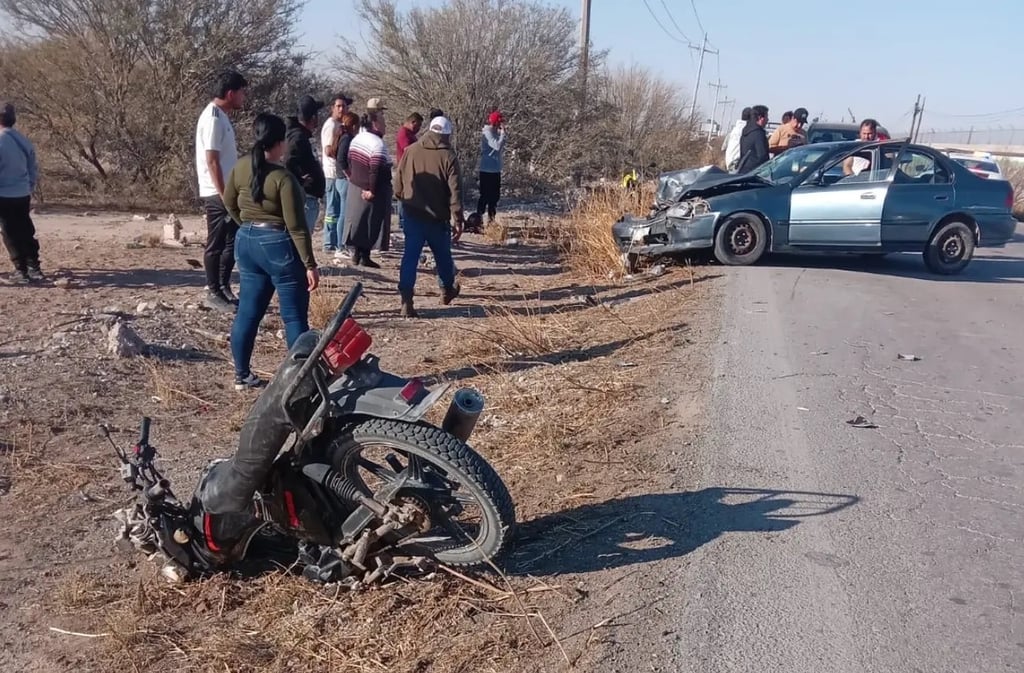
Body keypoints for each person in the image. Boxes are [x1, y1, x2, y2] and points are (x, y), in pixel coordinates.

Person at [222, 113, 319, 390]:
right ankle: (299, 383)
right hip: (278, 244)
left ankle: (241, 375)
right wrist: (310, 264)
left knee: (248, 313)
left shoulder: (240, 167)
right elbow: (297, 227)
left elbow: (229, 203)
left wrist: (247, 226)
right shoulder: (283, 178)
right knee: (293, 317)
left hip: (247, 242)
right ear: (279, 142)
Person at [393, 116, 463, 318]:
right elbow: (456, 191)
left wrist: (402, 197)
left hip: (412, 213)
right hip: (437, 217)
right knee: (443, 256)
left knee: (410, 257)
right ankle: (446, 290)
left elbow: (398, 181)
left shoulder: (411, 150)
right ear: (446, 134)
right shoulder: (448, 156)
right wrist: (457, 218)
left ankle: (406, 299)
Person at [195, 69, 248, 312]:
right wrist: (225, 194)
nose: (244, 97)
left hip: (228, 190)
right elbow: (212, 160)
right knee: (215, 243)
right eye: (241, 92)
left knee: (231, 241)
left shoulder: (223, 116)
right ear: (230, 93)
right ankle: (213, 290)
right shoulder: (213, 118)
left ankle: (224, 286)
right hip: (217, 192)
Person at [0, 102, 43, 284]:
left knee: (10, 231)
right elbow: (32, 167)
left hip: (4, 193)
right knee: (25, 228)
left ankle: (21, 271)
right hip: (22, 192)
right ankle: (34, 268)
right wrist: (29, 186)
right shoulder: (22, 139)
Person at [344, 109, 391, 268]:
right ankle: (364, 256)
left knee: (358, 222)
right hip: (372, 189)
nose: (385, 125)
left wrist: (353, 178)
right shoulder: (378, 144)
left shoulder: (357, 139)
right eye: (383, 122)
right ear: (375, 124)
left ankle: (358, 254)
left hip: (356, 185)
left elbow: (349, 159)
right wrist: (372, 189)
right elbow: (375, 168)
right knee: (371, 223)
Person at [283, 95, 327, 234]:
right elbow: (288, 161)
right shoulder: (298, 137)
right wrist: (300, 180)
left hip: (309, 197)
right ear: (313, 117)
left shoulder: (303, 135)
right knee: (302, 240)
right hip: (305, 199)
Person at [320, 92, 354, 257]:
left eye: (344, 106)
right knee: (333, 210)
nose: (342, 109)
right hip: (332, 172)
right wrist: (342, 155)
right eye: (339, 106)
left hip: (336, 172)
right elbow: (328, 150)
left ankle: (333, 242)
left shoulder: (339, 125)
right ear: (332, 108)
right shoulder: (331, 125)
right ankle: (329, 242)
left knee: (337, 208)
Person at [395, 112, 423, 232]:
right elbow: (407, 150)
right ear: (413, 122)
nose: (418, 129)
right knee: (404, 195)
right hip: (405, 168)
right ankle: (402, 221)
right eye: (418, 126)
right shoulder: (404, 133)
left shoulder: (410, 134)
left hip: (411, 168)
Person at [477, 110, 506, 223]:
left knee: (494, 197)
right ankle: (478, 219)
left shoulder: (496, 133)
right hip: (486, 170)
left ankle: (491, 220)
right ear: (495, 122)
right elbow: (497, 145)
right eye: (500, 122)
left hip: (495, 170)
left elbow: (502, 143)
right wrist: (503, 134)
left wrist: (502, 134)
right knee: (484, 196)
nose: (501, 125)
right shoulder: (487, 133)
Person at [736, 104, 770, 174]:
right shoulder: (758, 133)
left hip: (742, 170)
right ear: (761, 117)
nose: (767, 120)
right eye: (766, 116)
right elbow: (762, 156)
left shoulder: (746, 130)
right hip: (754, 173)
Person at [723, 107, 750, 173]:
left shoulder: (733, 130)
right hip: (737, 164)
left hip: (729, 163)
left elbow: (723, 148)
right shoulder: (748, 131)